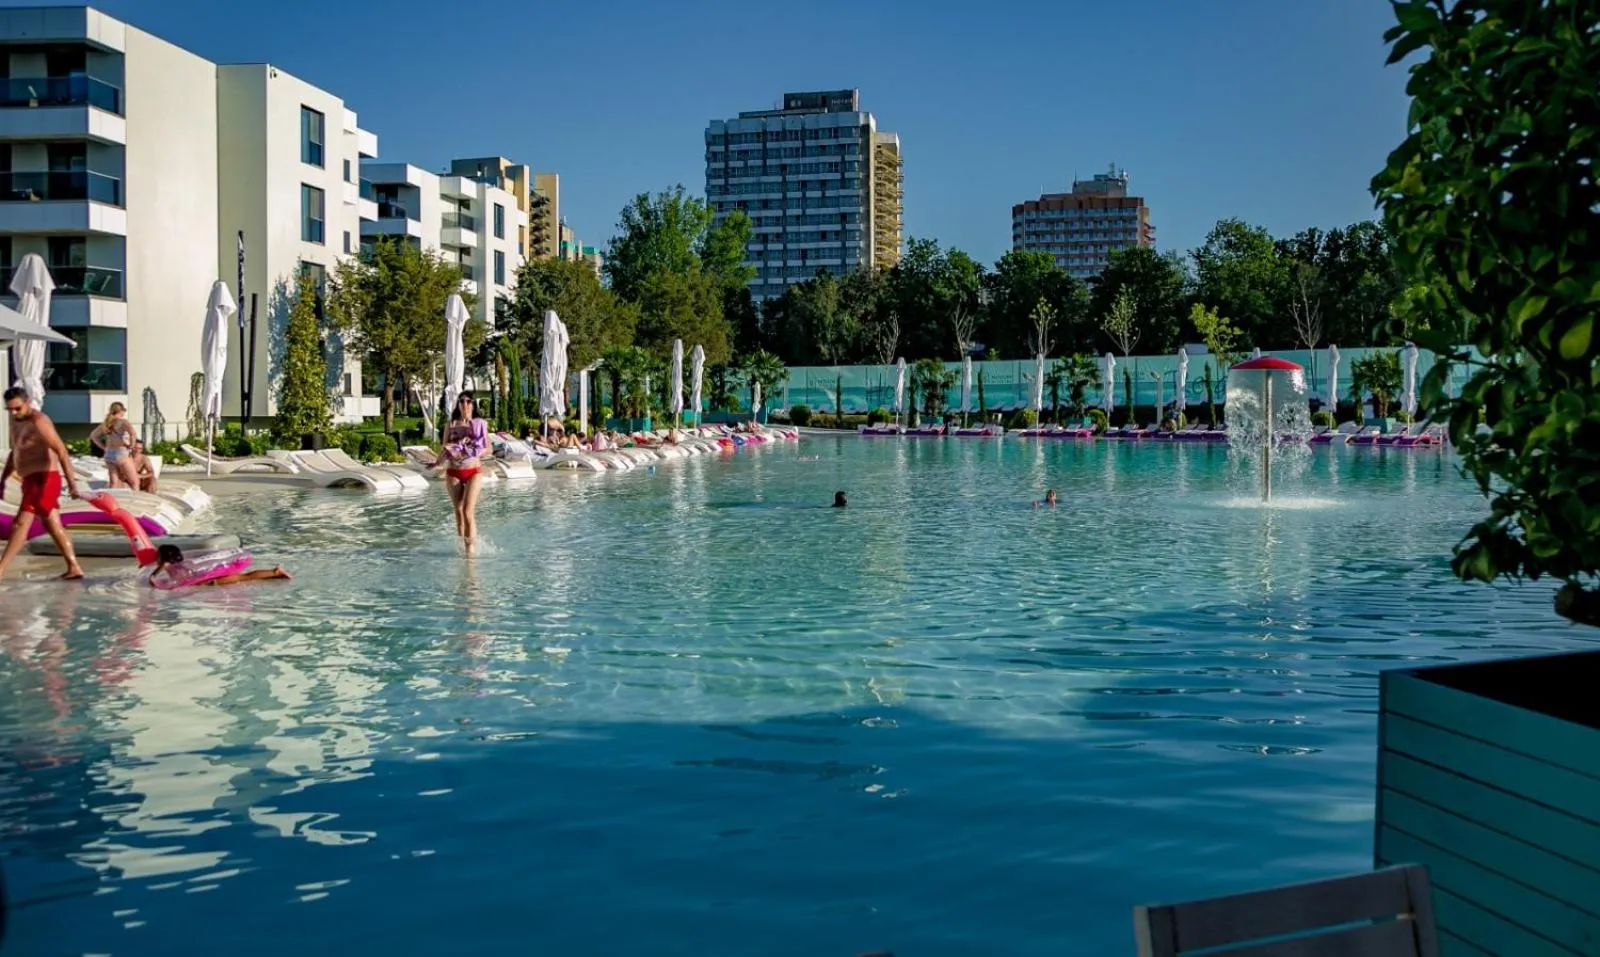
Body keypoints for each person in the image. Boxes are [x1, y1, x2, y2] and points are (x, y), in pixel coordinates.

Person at [0, 388, 85, 580]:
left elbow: (61, 451)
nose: (14, 413)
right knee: (52, 523)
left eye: (17, 408)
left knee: (20, 523)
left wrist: (72, 483)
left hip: (45, 478)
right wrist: (3, 479)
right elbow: (16, 453)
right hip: (29, 480)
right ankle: (74, 566)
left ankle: (1, 570)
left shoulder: (39, 422)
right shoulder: (17, 422)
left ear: (28, 402)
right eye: (9, 410)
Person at [440, 391, 488, 552]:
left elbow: (488, 448)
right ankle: (462, 546)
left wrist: (472, 451)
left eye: (468, 401)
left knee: (468, 511)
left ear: (473, 405)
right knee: (458, 511)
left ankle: (470, 551)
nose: (465, 404)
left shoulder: (478, 424)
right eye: (462, 401)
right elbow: (444, 448)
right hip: (453, 471)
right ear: (458, 405)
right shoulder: (451, 424)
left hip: (473, 470)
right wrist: (435, 462)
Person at [149, 543, 290, 586]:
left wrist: (154, 573)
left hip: (232, 563)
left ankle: (275, 572)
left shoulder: (171, 568)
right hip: (233, 559)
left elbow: (154, 582)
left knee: (242, 578)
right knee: (241, 577)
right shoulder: (179, 564)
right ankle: (273, 572)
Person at [89, 401, 139, 489]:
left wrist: (104, 447)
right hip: (121, 453)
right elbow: (133, 434)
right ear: (121, 411)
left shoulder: (106, 423)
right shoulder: (123, 422)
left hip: (109, 454)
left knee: (113, 482)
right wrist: (131, 446)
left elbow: (93, 436)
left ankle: (115, 498)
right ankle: (136, 500)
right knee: (134, 482)